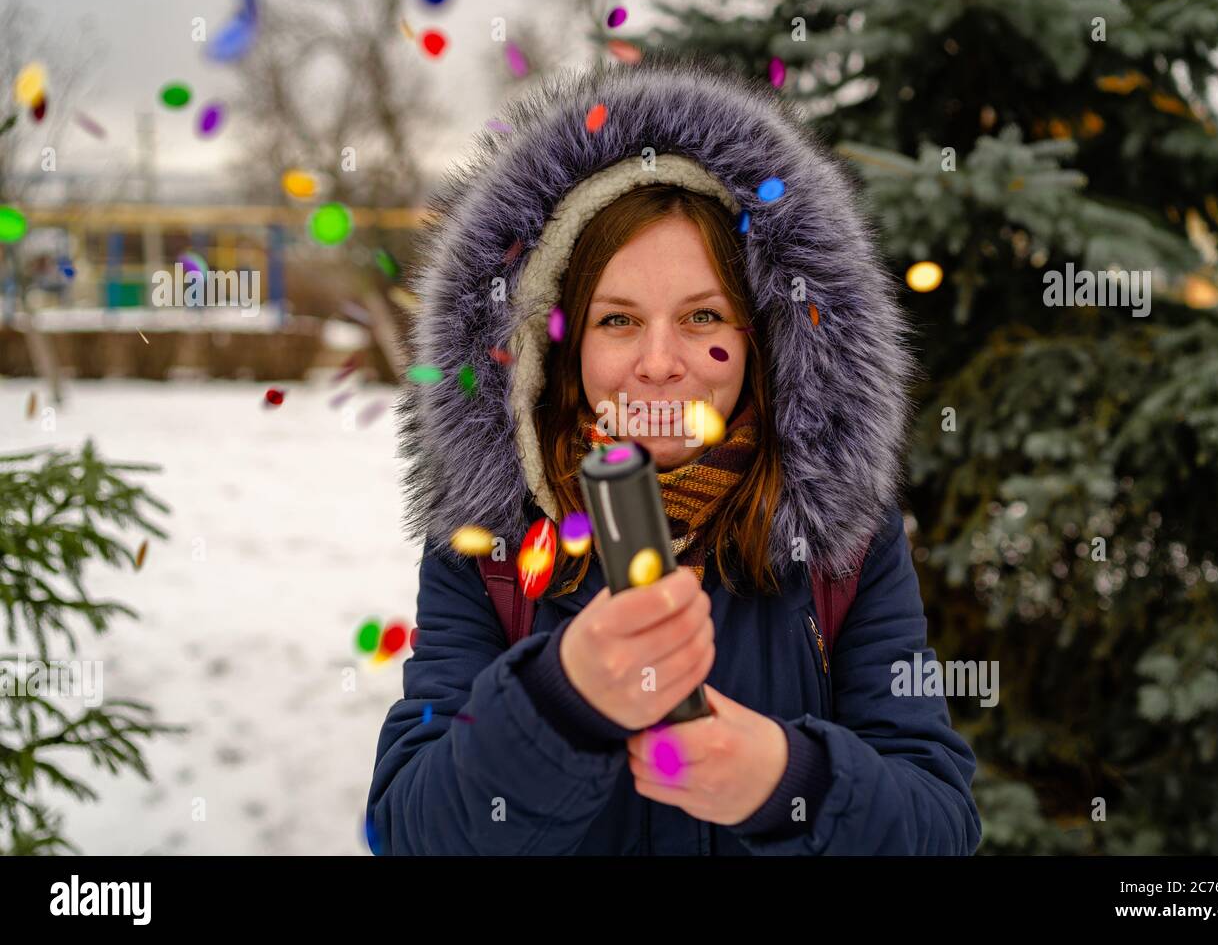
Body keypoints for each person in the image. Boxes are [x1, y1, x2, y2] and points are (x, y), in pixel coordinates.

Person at [366, 53, 981, 855]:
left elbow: (939, 823)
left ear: (760, 339)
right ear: (559, 350)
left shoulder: (847, 548)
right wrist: (561, 702)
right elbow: (410, 830)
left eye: (702, 318)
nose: (659, 362)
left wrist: (787, 782)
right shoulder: (489, 551)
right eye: (617, 320)